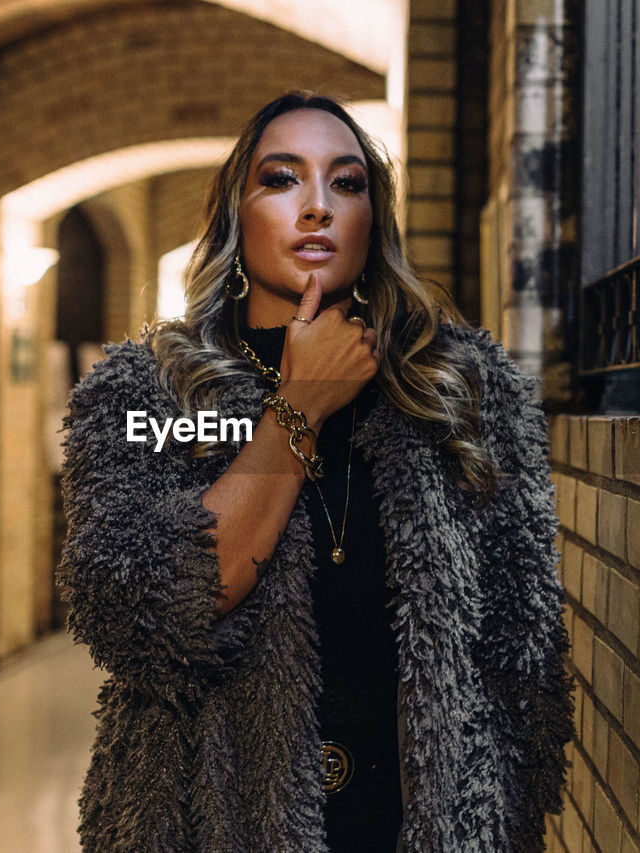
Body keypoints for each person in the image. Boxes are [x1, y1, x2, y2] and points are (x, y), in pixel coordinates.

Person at [58, 92, 572, 852]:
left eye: (347, 182)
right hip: (208, 827)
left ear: (375, 216)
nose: (318, 208)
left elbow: (522, 652)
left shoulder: (461, 388)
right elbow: (142, 611)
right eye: (282, 178)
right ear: (237, 211)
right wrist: (296, 409)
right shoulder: (151, 392)